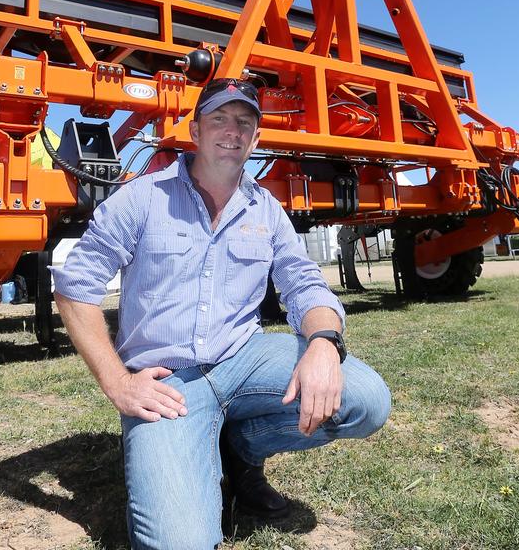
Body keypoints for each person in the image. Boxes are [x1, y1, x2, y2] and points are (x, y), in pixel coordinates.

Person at [54, 78, 391, 550]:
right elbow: (74, 288)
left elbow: (304, 284)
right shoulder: (141, 198)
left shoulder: (266, 210)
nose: (231, 131)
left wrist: (323, 343)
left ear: (255, 140)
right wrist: (117, 382)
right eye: (219, 119)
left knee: (366, 399)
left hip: (244, 357)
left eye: (244, 123)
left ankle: (240, 449)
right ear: (194, 131)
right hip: (167, 381)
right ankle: (192, 452)